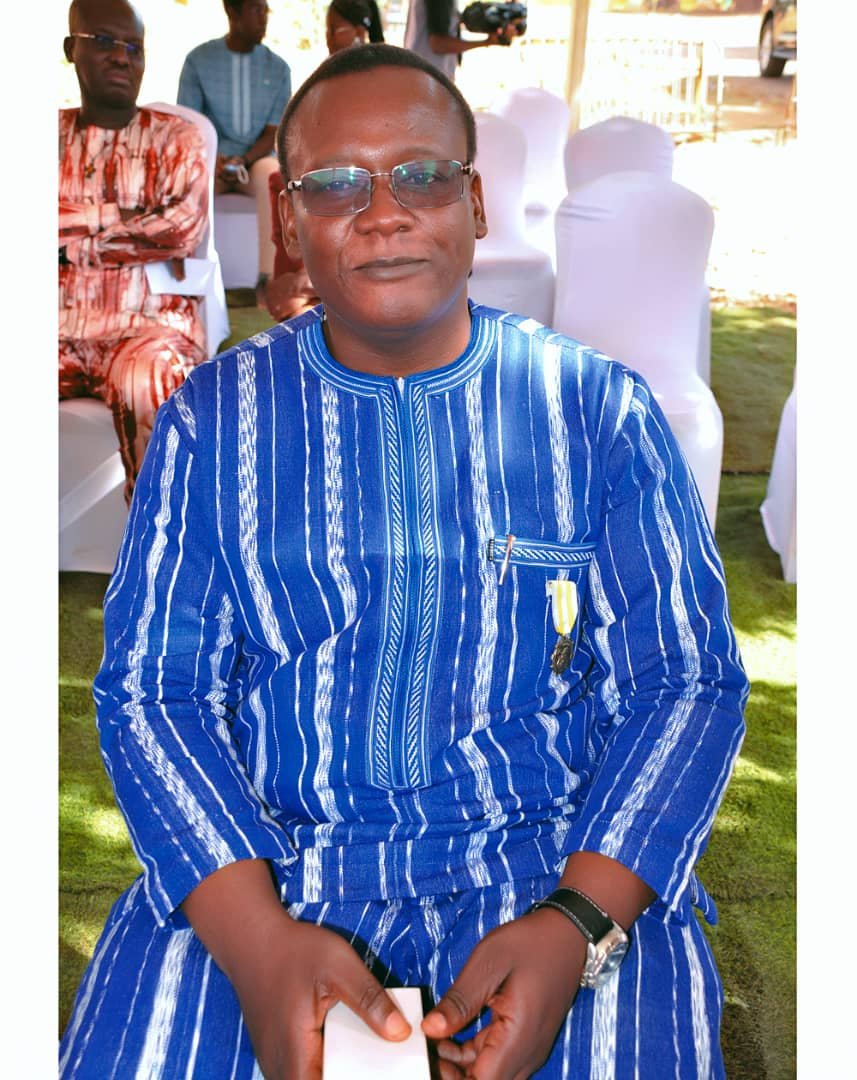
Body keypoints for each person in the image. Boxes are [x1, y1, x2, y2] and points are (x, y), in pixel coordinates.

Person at [59, 42, 749, 1079]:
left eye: (421, 176)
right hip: (271, 865)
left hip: (554, 862)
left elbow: (683, 682)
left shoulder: (595, 412)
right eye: (337, 184)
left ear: (475, 202)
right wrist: (257, 946)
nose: (383, 214)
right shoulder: (211, 421)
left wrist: (576, 925)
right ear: (288, 218)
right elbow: (157, 692)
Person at [59, 0, 209, 505]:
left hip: (146, 328)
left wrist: (68, 239)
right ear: (71, 49)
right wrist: (126, 218)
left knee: (153, 378)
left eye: (134, 47)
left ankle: (166, 539)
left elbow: (180, 228)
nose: (122, 57)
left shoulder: (177, 137)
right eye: (104, 42)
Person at [264, 0, 384, 322]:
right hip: (336, 185)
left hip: (364, 189)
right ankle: (305, 288)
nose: (328, 38)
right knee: (283, 183)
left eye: (335, 29)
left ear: (359, 31)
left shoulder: (385, 82)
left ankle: (310, 286)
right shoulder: (325, 85)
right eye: (327, 30)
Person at [177, 0, 291, 305]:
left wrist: (244, 160)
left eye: (265, 10)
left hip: (255, 161)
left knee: (272, 175)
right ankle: (188, 280)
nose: (263, 18)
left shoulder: (279, 68)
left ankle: (267, 282)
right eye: (256, 10)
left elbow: (274, 131)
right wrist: (214, 160)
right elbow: (190, 125)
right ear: (232, 12)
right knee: (188, 178)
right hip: (209, 160)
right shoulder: (198, 61)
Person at [403, 0, 520, 81]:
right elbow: (438, 44)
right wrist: (487, 42)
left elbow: (448, 24)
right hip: (428, 79)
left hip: (422, 76)